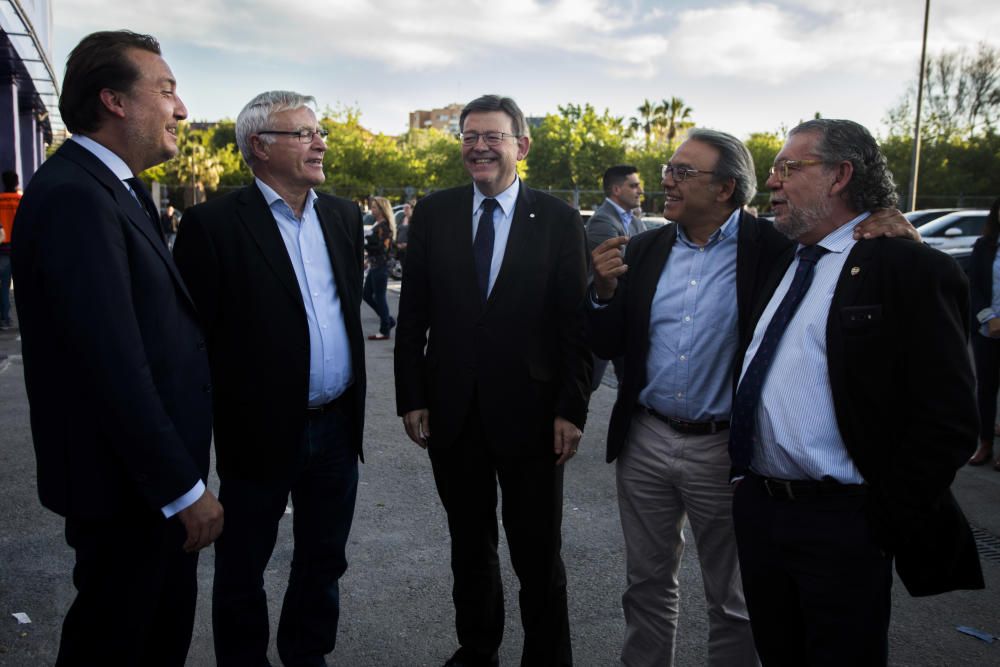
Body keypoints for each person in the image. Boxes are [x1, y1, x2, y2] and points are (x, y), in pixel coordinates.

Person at [589, 129, 919, 667]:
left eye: (682, 172)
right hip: (645, 439)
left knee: (737, 598)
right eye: (669, 169)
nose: (665, 181)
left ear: (725, 189)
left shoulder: (778, 249)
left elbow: (848, 249)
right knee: (644, 584)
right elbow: (605, 343)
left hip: (726, 451)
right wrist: (602, 295)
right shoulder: (643, 249)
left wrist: (892, 225)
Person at [729, 119, 984, 665]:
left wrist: (880, 520)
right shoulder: (783, 257)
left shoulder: (905, 265)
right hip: (762, 510)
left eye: (788, 168)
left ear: (841, 174)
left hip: (844, 523)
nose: (772, 182)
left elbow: (950, 419)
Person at [11, 30, 222, 666]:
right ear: (114, 101)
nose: (181, 110)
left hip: (141, 487)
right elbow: (111, 365)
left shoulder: (110, 189)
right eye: (166, 90)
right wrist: (183, 491)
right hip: (130, 492)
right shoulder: (77, 197)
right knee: (118, 641)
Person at [394, 94, 591, 667]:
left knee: (537, 552)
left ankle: (548, 657)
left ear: (520, 146)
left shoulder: (556, 219)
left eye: (492, 137)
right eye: (469, 136)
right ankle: (478, 648)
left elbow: (573, 327)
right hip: (453, 414)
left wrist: (570, 410)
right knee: (469, 545)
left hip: (533, 418)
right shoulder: (433, 213)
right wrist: (413, 397)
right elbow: (414, 315)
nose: (478, 147)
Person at [172, 90, 365, 667]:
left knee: (324, 558)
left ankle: (308, 655)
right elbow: (192, 346)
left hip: (336, 426)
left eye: (318, 131)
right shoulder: (212, 226)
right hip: (257, 432)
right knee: (243, 565)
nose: (320, 143)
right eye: (304, 133)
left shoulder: (342, 215)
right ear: (259, 145)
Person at [586, 165, 645, 390]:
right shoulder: (603, 221)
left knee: (631, 382)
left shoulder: (635, 221)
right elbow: (618, 268)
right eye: (634, 185)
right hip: (604, 313)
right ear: (617, 190)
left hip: (627, 316)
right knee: (586, 383)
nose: (640, 190)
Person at [968, 196, 1000, 470]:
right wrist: (988, 317)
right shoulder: (984, 246)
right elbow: (973, 285)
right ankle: (985, 444)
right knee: (986, 390)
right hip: (986, 331)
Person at [363, 195, 396, 339]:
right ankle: (387, 320)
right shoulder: (378, 225)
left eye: (375, 207)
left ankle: (385, 329)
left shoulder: (385, 226)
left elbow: (382, 248)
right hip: (375, 266)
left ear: (382, 209)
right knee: (366, 294)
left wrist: (365, 243)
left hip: (381, 266)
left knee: (380, 297)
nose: (372, 209)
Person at [0, 170, 19, 330]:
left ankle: (6, 318)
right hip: (20, 247)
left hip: (3, 248)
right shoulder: (21, 200)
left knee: (4, 286)